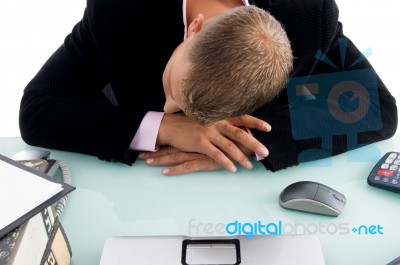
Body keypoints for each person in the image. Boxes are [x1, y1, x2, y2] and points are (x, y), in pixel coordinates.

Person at [19, 0, 397, 176]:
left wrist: (238, 140)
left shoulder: (309, 15)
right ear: (195, 28)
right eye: (171, 87)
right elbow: (37, 108)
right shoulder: (117, 11)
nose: (169, 106)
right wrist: (161, 127)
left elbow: (375, 106)